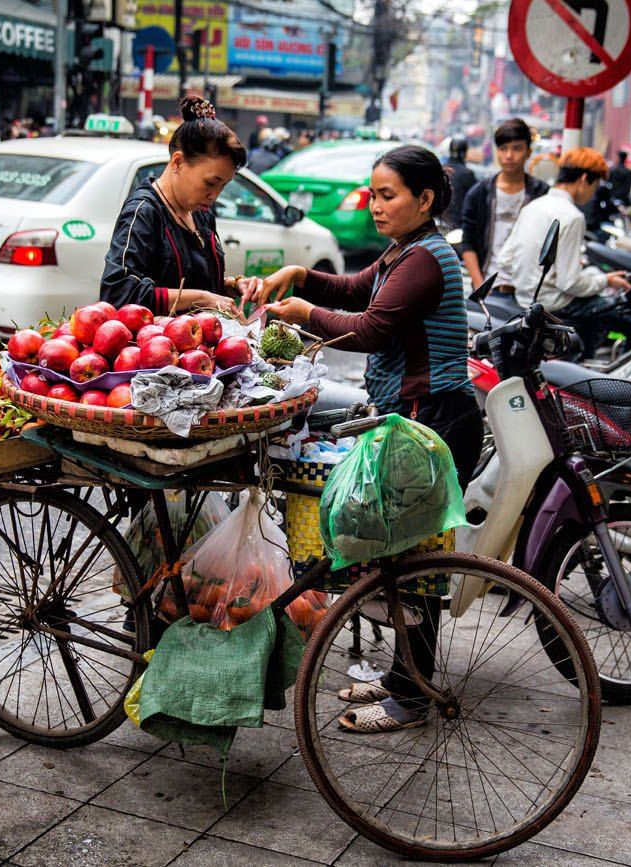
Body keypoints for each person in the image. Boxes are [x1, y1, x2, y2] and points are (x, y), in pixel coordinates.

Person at [243, 145, 482, 733]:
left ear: (424, 200)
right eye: (372, 194)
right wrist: (300, 276)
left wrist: (300, 314)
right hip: (414, 415)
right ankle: (404, 678)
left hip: (432, 419)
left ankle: (411, 697)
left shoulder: (426, 259)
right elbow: (354, 291)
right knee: (403, 553)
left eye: (388, 195)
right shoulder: (405, 251)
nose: (375, 206)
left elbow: (371, 330)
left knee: (417, 560)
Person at [99, 97, 250, 313]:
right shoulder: (143, 212)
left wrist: (232, 285)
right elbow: (118, 291)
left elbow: (192, 280)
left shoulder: (201, 214)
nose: (214, 195)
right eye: (210, 183)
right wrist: (204, 298)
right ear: (177, 162)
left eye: (223, 186)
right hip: (154, 343)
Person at [491, 147, 631, 357]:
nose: (593, 192)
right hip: (554, 305)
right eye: (595, 185)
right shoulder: (573, 216)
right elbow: (569, 283)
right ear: (584, 179)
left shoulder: (533, 207)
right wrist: (605, 281)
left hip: (524, 299)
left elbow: (505, 259)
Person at [459, 118, 549, 289]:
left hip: (529, 287)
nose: (509, 155)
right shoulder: (479, 193)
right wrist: (479, 283)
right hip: (489, 284)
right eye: (503, 149)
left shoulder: (541, 193)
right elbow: (468, 242)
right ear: (496, 151)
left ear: (528, 152)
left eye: (517, 148)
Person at [440, 136, 476, 233]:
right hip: (459, 226)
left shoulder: (441, 170)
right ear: (465, 152)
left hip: (440, 224)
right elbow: (475, 201)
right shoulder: (467, 173)